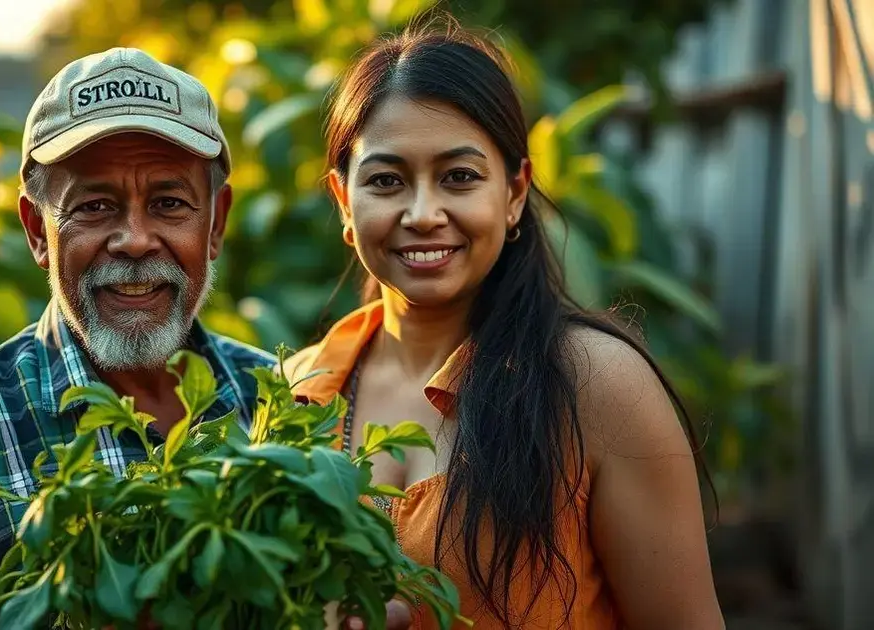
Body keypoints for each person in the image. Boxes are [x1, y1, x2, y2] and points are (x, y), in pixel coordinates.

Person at [287, 18, 727, 630]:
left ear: (515, 192)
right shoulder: (292, 395)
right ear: (343, 200)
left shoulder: (595, 387)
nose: (423, 213)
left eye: (459, 177)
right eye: (386, 181)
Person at [0, 47, 275, 629]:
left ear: (216, 224)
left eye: (169, 203)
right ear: (37, 231)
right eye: (95, 206)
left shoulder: (278, 403)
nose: (134, 240)